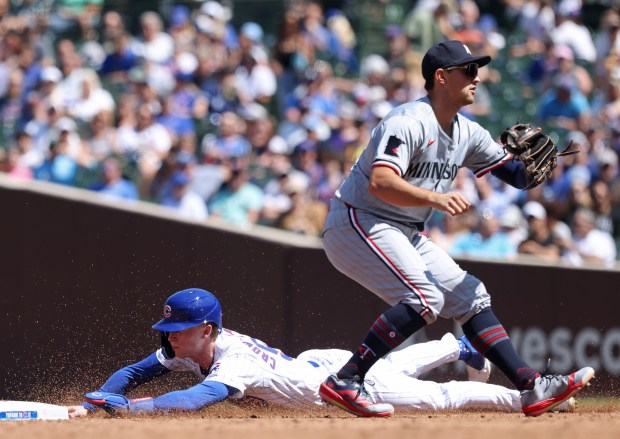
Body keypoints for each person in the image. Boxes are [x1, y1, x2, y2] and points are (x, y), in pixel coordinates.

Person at [317, 40, 594, 418]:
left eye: (477, 70)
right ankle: (347, 380)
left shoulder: (468, 131)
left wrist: (536, 168)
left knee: (471, 297)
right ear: (441, 77)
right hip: (357, 219)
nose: (476, 77)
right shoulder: (408, 121)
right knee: (424, 298)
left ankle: (531, 386)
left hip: (403, 228)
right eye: (468, 70)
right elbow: (380, 182)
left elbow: (515, 175)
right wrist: (435, 199)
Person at [66, 288, 577, 418]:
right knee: (391, 362)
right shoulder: (191, 347)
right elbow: (134, 372)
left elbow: (197, 400)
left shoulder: (231, 360)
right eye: (169, 329)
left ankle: (524, 398)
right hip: (312, 365)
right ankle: (454, 343)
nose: (169, 337)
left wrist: (130, 409)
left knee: (435, 399)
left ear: (206, 329)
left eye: (178, 329)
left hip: (326, 387)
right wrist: (100, 401)